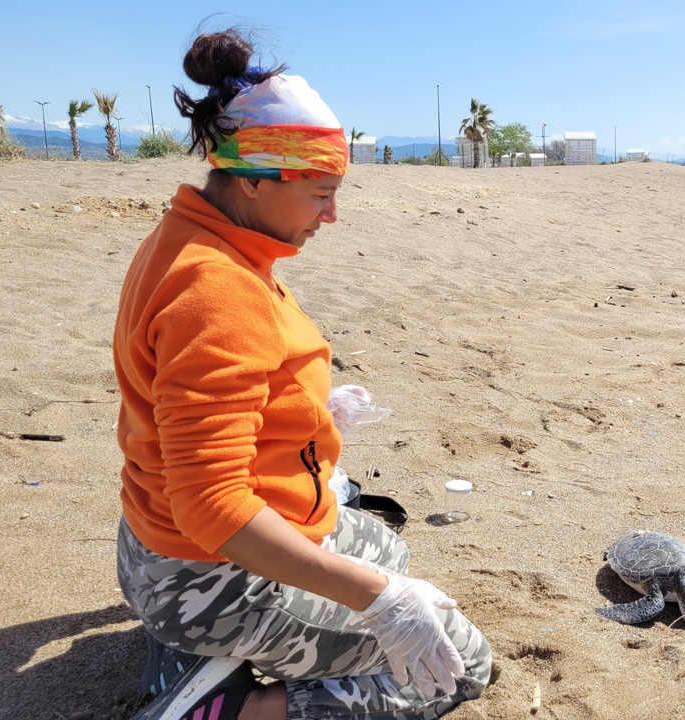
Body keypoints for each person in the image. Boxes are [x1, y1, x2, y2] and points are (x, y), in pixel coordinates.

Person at [113, 29, 491, 720]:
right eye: (320, 192)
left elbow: (196, 397)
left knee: (389, 553)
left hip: (155, 544)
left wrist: (306, 407)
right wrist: (376, 603)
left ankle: (191, 653)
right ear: (254, 179)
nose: (333, 213)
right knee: (459, 662)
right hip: (206, 574)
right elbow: (212, 507)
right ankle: (224, 709)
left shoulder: (191, 237)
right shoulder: (219, 290)